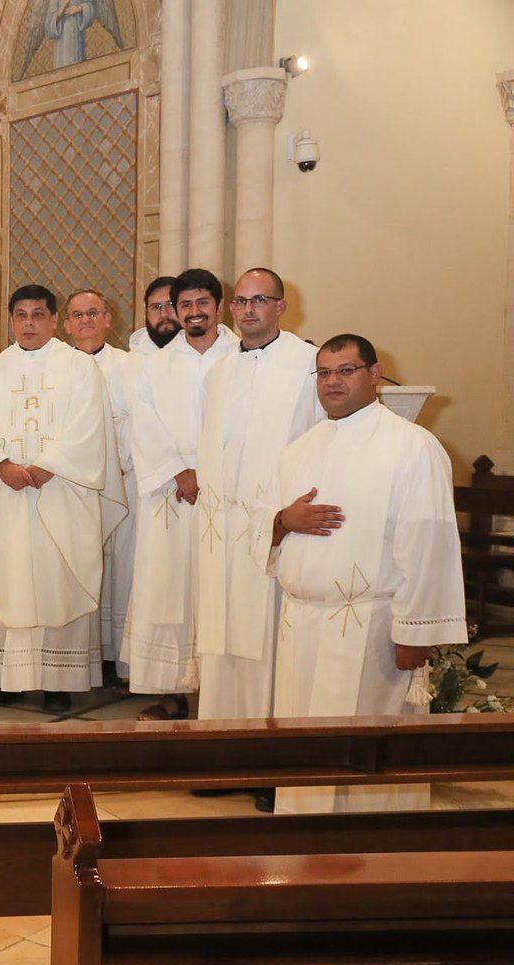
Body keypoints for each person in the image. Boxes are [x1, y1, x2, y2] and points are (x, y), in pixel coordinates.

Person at [257, 334, 466, 814]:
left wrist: (416, 632)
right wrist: (283, 521)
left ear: (374, 375)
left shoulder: (412, 447)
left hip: (369, 628)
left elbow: (428, 541)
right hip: (300, 626)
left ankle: (372, 843)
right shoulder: (298, 449)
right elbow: (264, 519)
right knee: (305, 743)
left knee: (365, 750)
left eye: (346, 370)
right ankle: (304, 833)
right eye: (324, 372)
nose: (333, 381)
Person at [0, 285, 121, 714]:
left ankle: (57, 680)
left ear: (54, 319)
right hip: (4, 495)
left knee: (56, 581)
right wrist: (0, 464)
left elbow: (90, 425)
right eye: (21, 315)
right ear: (10, 320)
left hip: (61, 491)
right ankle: (5, 679)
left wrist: (50, 464)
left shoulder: (79, 368)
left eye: (38, 315)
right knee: (5, 580)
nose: (29, 323)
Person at [195, 267, 321, 719]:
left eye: (260, 300)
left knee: (268, 634)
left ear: (281, 306)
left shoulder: (308, 364)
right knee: (220, 633)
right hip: (220, 526)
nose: (249, 310)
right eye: (242, 301)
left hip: (274, 525)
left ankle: (268, 740)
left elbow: (321, 437)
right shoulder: (220, 370)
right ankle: (218, 738)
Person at [126, 268, 236, 720]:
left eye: (202, 303)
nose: (193, 312)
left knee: (221, 589)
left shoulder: (240, 357)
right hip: (173, 493)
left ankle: (223, 691)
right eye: (184, 304)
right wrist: (178, 471)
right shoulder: (156, 364)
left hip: (227, 493)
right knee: (169, 589)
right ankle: (172, 691)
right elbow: (143, 422)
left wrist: (213, 473)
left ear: (219, 306)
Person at [64, 288, 136, 684]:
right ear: (66, 325)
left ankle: (117, 656)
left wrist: (120, 466)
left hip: (122, 481)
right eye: (77, 315)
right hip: (73, 488)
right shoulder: (56, 368)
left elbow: (139, 423)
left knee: (121, 569)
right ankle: (86, 655)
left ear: (108, 319)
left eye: (93, 313)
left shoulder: (131, 366)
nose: (86, 320)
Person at [126, 276, 180, 355]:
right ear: (146, 313)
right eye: (156, 307)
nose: (163, 314)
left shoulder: (197, 353)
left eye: (170, 304)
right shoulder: (132, 359)